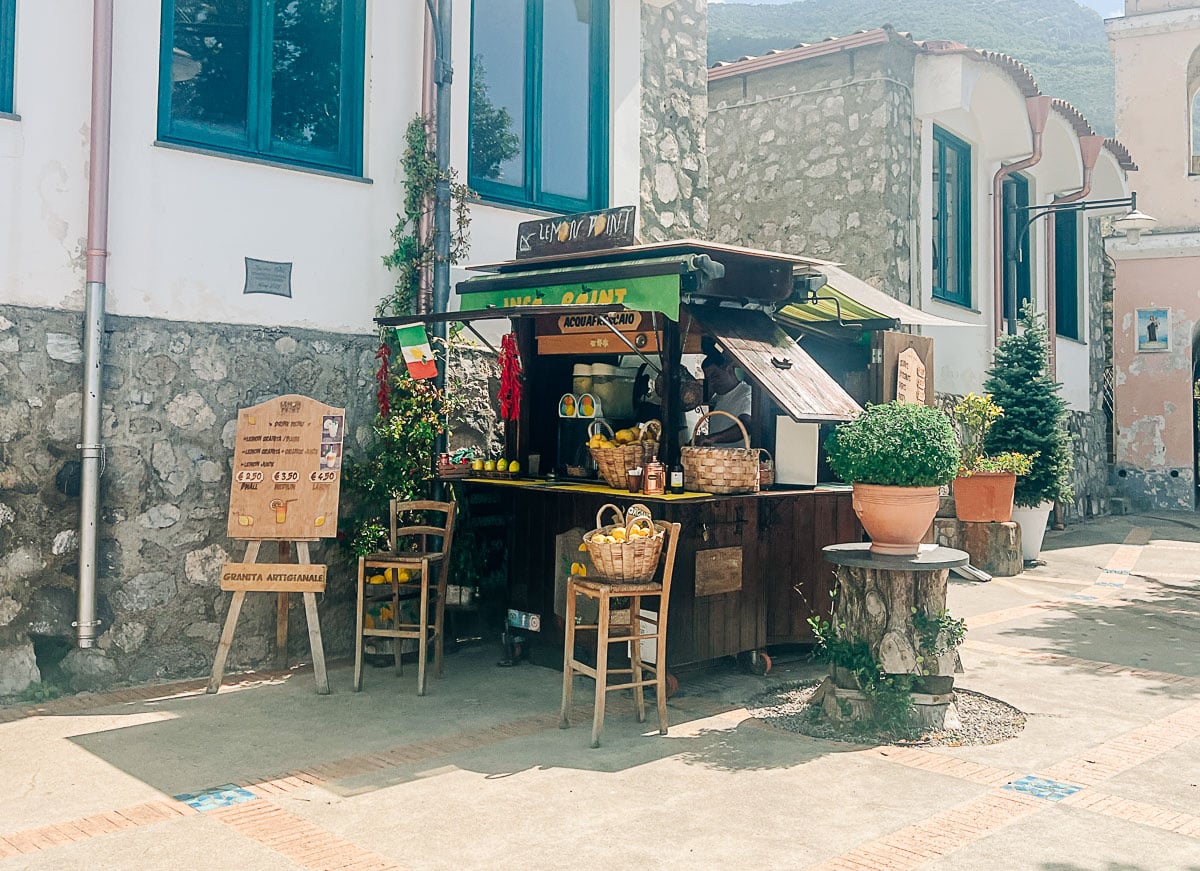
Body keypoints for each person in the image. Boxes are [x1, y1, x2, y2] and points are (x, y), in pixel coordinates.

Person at [695, 350, 752, 446]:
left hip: (737, 459)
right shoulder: (718, 397)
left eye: (715, 376)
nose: (712, 383)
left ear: (729, 369)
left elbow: (746, 427)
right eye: (709, 379)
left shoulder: (747, 394)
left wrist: (713, 438)